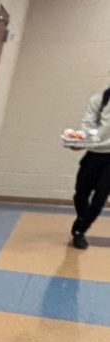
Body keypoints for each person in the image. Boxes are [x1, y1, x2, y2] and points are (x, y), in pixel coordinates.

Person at [70, 85, 110, 249]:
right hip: (94, 154)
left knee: (100, 197)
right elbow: (87, 126)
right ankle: (81, 218)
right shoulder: (99, 100)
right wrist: (79, 142)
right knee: (81, 193)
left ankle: (81, 232)